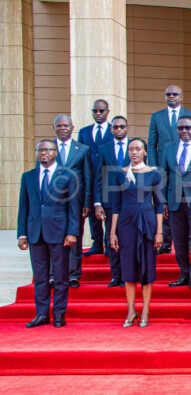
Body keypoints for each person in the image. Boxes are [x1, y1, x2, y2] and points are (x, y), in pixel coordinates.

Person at [17, 140, 80, 328]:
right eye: (40, 150)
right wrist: (22, 234)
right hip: (35, 233)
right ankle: (42, 314)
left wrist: (72, 232)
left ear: (55, 153)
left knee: (60, 276)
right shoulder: (28, 176)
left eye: (48, 150)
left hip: (60, 233)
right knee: (40, 277)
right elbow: (24, 207)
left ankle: (59, 314)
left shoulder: (68, 175)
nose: (44, 153)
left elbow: (74, 207)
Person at [108, 138, 165, 328]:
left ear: (145, 152)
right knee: (128, 267)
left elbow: (159, 205)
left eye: (138, 149)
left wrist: (159, 232)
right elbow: (115, 204)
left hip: (147, 222)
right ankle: (131, 309)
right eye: (131, 149)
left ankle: (146, 309)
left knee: (147, 267)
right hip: (125, 223)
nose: (134, 152)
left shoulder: (154, 174)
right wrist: (112, 233)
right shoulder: (119, 174)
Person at [147, 84, 191, 253]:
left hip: (186, 168)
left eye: (175, 94)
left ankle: (190, 242)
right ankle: (165, 242)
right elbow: (151, 143)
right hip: (166, 167)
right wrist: (156, 168)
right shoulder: (156, 117)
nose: (171, 96)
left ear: (181, 97)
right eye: (168, 94)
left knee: (187, 204)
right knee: (166, 203)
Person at [160, 115, 191, 290]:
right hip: (175, 202)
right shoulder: (168, 148)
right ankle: (184, 273)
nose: (184, 131)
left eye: (187, 128)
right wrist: (163, 201)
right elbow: (163, 175)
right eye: (180, 128)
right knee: (179, 240)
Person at [54, 114, 92, 288]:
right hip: (53, 201)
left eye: (65, 125)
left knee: (75, 235)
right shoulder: (48, 148)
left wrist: (87, 202)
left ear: (72, 127)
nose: (62, 128)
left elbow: (87, 177)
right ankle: (54, 274)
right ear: (54, 128)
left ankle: (73, 274)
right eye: (59, 125)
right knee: (54, 238)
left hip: (76, 200)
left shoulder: (82, 149)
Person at [93, 116, 130, 287]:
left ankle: (129, 274)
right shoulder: (104, 149)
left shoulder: (135, 147)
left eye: (122, 126)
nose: (119, 129)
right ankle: (116, 276)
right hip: (109, 201)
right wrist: (97, 203)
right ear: (111, 129)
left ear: (127, 128)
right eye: (115, 127)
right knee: (112, 237)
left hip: (131, 201)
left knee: (128, 240)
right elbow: (98, 177)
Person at [78, 99, 112, 256]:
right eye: (95, 111)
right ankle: (97, 243)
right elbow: (80, 156)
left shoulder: (115, 130)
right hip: (89, 177)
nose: (98, 114)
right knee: (91, 210)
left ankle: (108, 242)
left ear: (107, 112)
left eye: (101, 111)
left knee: (109, 211)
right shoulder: (84, 132)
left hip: (108, 178)